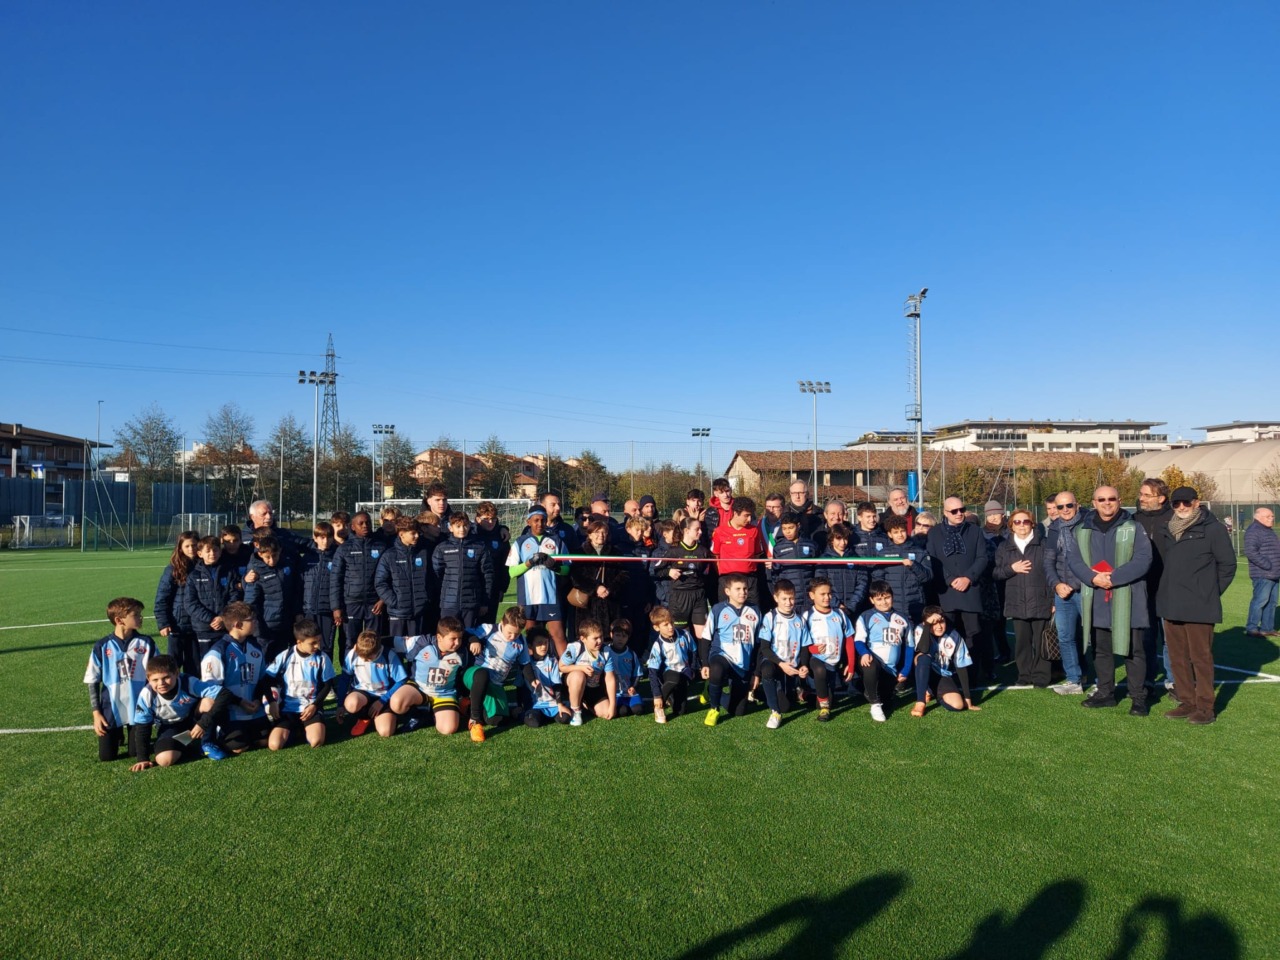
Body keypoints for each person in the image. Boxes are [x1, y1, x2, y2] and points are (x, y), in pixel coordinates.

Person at [1065, 485, 1153, 715]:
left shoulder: (1134, 527)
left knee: (1133, 651)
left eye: (1111, 499)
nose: (1107, 503)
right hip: (1096, 598)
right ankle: (1105, 693)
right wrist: (1093, 578)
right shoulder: (1082, 530)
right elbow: (1074, 560)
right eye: (1101, 499)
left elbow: (1143, 559)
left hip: (1128, 597)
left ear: (1119, 501)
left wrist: (1113, 578)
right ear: (1094, 503)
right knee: (1101, 650)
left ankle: (1138, 697)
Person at [1156, 486, 1237, 725]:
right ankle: (1187, 701)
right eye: (1176, 503)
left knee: (1201, 658)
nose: (1181, 507)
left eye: (1186, 502)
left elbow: (1228, 565)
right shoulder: (1168, 529)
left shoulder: (1213, 529)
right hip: (1171, 603)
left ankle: (1205, 707)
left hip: (1200, 605)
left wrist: (1209, 592)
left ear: (1196, 502)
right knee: (1177, 657)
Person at [85, 597, 157, 762]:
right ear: (119, 620)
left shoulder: (146, 643)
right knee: (107, 757)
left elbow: (157, 672)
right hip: (110, 708)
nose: (141, 617)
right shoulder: (102, 646)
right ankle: (116, 732)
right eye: (136, 614)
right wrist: (96, 713)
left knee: (134, 752)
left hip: (138, 707)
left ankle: (135, 733)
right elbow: (92, 681)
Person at [926, 497, 989, 680]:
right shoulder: (935, 533)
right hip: (946, 591)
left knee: (973, 634)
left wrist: (968, 578)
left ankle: (971, 676)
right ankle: (948, 675)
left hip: (970, 590)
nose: (959, 513)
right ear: (945, 513)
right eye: (954, 511)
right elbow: (932, 559)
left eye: (962, 509)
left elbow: (982, 558)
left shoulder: (975, 531)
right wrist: (950, 579)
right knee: (947, 632)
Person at [199, 601, 269, 755]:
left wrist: (257, 699)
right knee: (238, 747)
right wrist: (240, 702)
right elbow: (214, 691)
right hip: (231, 712)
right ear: (238, 625)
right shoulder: (217, 652)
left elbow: (262, 679)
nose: (256, 622)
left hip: (254, 709)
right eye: (252, 619)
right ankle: (216, 735)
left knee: (265, 741)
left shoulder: (256, 648)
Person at [993, 508, 1053, 688]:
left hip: (1041, 599)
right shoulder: (1004, 547)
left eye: (1025, 521)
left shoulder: (1044, 544)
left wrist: (1053, 600)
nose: (1021, 525)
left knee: (1041, 641)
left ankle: (1042, 676)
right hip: (1016, 601)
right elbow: (996, 573)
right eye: (1017, 522)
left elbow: (1052, 573)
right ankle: (1024, 675)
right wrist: (1012, 569)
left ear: (1032, 524)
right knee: (1022, 643)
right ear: (1011, 525)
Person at [128, 655, 221, 772]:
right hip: (169, 727)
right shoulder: (147, 694)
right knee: (164, 760)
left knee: (208, 702)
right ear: (148, 678)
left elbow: (222, 694)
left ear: (176, 673)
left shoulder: (188, 682)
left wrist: (203, 723)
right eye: (155, 680)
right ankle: (191, 744)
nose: (161, 683)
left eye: (166, 677)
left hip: (194, 720)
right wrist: (143, 758)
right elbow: (142, 727)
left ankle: (208, 742)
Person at [463, 607, 538, 742]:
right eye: (509, 632)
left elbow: (525, 663)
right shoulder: (489, 629)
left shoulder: (521, 641)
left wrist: (532, 680)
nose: (512, 637)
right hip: (475, 675)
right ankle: (475, 720)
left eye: (516, 634)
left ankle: (469, 704)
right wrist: (474, 640)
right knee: (483, 675)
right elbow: (465, 633)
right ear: (502, 623)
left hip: (496, 684)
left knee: (497, 720)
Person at [262, 619, 335, 750]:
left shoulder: (322, 658)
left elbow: (327, 685)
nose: (317, 646)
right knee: (274, 745)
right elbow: (266, 680)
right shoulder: (285, 656)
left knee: (316, 741)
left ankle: (305, 727)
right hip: (287, 709)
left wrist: (315, 705)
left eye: (319, 641)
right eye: (313, 643)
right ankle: (296, 729)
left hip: (310, 708)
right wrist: (272, 702)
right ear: (299, 642)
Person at [1043, 491, 1090, 695]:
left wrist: (1075, 582)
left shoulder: (1089, 523)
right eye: (1060, 506)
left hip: (1086, 589)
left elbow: (1093, 559)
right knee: (1065, 637)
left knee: (1096, 636)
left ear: (1077, 505)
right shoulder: (1054, 528)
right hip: (1062, 592)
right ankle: (1073, 680)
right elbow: (1048, 561)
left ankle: (1103, 681)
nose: (1064, 510)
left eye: (1068, 505)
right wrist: (1057, 584)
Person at [507, 505, 569, 655]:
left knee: (558, 635)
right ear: (528, 522)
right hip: (528, 598)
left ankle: (566, 667)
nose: (539, 524)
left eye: (542, 520)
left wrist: (555, 566)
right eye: (536, 520)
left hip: (551, 597)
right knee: (531, 636)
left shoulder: (556, 541)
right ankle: (531, 667)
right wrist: (529, 562)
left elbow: (567, 569)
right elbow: (512, 572)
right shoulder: (520, 542)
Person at [701, 574, 761, 725]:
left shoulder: (755, 610)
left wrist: (756, 672)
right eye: (738, 589)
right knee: (716, 669)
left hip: (743, 664)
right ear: (727, 591)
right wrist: (705, 664)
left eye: (745, 589)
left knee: (738, 711)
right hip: (722, 655)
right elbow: (706, 638)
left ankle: (711, 691)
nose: (742, 592)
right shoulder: (718, 609)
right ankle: (714, 709)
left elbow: (759, 645)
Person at [850, 581, 913, 722]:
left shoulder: (903, 619)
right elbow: (858, 640)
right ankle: (875, 704)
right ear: (872, 600)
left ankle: (861, 686)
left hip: (890, 669)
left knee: (888, 702)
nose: (884, 602)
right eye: (879, 599)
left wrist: (906, 670)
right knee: (871, 666)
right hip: (871, 661)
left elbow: (910, 646)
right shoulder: (865, 616)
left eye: (887, 597)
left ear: (892, 597)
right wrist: (865, 653)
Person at [390, 618, 466, 735]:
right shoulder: (422, 642)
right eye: (453, 639)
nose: (457, 643)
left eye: (460, 638)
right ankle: (419, 716)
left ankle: (433, 714)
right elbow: (392, 641)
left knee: (448, 729)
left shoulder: (463, 652)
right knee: (397, 703)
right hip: (419, 688)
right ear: (439, 637)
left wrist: (474, 640)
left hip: (444, 693)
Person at [1135, 478, 1175, 693]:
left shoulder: (1173, 519)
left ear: (1161, 498)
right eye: (1141, 494)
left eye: (1146, 495)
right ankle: (1148, 678)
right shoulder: (1134, 520)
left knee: (1170, 639)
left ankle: (1173, 681)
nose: (1141, 498)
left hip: (1168, 589)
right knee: (1146, 638)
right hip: (1142, 589)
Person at [755, 579, 811, 728]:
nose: (788, 602)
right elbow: (764, 648)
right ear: (776, 598)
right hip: (774, 663)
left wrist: (804, 665)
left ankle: (761, 692)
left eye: (791, 598)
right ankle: (775, 712)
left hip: (791, 667)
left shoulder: (800, 620)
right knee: (767, 670)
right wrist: (781, 664)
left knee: (786, 706)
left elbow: (804, 647)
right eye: (784, 599)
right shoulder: (770, 617)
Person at [331, 512, 386, 655]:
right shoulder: (344, 549)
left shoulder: (381, 546)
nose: (365, 525)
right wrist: (336, 607)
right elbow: (335, 579)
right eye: (360, 523)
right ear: (352, 527)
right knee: (350, 641)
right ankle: (348, 668)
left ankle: (371, 668)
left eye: (367, 522)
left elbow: (389, 576)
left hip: (374, 604)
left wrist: (382, 599)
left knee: (373, 641)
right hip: (351, 604)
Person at [910, 607, 980, 716]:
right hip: (923, 670)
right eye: (934, 623)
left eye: (941, 621)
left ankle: (932, 691)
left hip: (942, 675)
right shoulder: (920, 628)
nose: (939, 626)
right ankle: (920, 701)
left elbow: (961, 666)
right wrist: (927, 625)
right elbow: (924, 649)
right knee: (923, 657)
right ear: (925, 623)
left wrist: (967, 699)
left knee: (958, 705)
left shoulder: (954, 636)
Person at [803, 577, 855, 722]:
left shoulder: (840, 614)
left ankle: (808, 695)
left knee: (825, 699)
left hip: (833, 662)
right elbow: (803, 642)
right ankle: (825, 707)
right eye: (822, 594)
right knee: (820, 671)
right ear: (812, 595)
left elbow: (849, 640)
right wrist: (813, 649)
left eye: (829, 593)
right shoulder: (807, 616)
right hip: (816, 659)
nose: (827, 597)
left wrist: (851, 665)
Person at [339, 629, 408, 738]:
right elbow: (344, 678)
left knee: (386, 732)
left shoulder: (389, 655)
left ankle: (381, 715)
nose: (365, 660)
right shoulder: (353, 654)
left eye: (369, 658)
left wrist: (383, 700)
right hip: (363, 692)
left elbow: (401, 680)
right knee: (351, 704)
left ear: (378, 650)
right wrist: (340, 704)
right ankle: (364, 717)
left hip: (385, 695)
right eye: (362, 657)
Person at [242, 535, 302, 659]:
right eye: (267, 557)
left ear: (280, 551)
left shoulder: (287, 565)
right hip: (265, 626)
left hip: (285, 623)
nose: (272, 560)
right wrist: (257, 627)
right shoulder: (255, 572)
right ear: (260, 554)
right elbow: (250, 602)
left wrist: (297, 612)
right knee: (264, 661)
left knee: (282, 659)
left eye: (274, 555)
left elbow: (295, 591)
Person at [185, 535, 242, 662]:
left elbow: (235, 596)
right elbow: (190, 603)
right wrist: (211, 619)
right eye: (208, 551)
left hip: (226, 626)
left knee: (228, 661)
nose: (212, 553)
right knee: (208, 662)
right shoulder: (194, 576)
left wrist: (223, 617)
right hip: (204, 628)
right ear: (200, 554)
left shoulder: (229, 572)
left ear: (220, 552)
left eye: (215, 550)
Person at [433, 512, 494, 629]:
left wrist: (484, 602)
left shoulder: (479, 547)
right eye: (458, 526)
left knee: (469, 635)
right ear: (451, 528)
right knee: (448, 634)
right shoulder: (442, 548)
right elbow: (436, 574)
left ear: (469, 526)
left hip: (471, 603)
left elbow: (487, 575)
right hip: (449, 604)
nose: (462, 529)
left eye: (465, 525)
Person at [654, 517, 713, 632]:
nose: (700, 532)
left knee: (703, 634)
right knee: (681, 632)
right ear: (686, 531)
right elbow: (657, 570)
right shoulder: (674, 550)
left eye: (700, 529)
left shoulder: (703, 551)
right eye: (697, 529)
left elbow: (707, 571)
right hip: (680, 596)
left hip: (698, 595)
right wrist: (669, 572)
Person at [570, 519, 629, 632]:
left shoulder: (616, 553)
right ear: (590, 535)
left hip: (610, 602)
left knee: (611, 634)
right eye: (597, 532)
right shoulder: (579, 553)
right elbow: (576, 577)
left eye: (604, 532)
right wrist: (595, 588)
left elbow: (624, 574)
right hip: (588, 604)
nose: (601, 535)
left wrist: (610, 589)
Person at [155, 530, 199, 674]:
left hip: (197, 625)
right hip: (177, 624)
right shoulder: (173, 569)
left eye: (194, 545)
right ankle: (173, 688)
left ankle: (192, 688)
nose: (191, 549)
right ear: (180, 548)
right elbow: (162, 597)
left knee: (195, 665)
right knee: (173, 664)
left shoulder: (203, 566)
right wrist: (163, 623)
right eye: (187, 546)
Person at [560, 617, 617, 726]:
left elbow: (610, 679)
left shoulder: (606, 651)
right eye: (595, 638)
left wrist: (612, 705)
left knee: (606, 713)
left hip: (593, 687)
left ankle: (584, 704)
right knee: (578, 676)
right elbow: (561, 667)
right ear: (583, 638)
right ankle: (575, 711)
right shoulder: (575, 648)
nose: (599, 641)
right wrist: (580, 668)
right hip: (573, 684)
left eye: (601, 636)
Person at [710, 497, 765, 607]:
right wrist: (724, 572)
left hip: (749, 580)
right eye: (746, 515)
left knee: (753, 612)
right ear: (735, 513)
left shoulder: (754, 531)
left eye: (750, 515)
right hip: (727, 579)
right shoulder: (719, 531)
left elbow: (757, 554)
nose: (749, 519)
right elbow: (715, 556)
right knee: (725, 612)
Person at [646, 606, 698, 723]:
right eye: (666, 625)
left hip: (683, 673)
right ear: (656, 628)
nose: (670, 627)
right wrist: (657, 696)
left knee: (681, 711)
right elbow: (652, 672)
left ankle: (671, 696)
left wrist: (693, 668)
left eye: (671, 623)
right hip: (668, 675)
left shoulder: (685, 635)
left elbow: (694, 651)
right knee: (674, 678)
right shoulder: (658, 645)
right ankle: (659, 707)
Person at [876, 516, 929, 622]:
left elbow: (927, 577)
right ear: (890, 534)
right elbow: (878, 580)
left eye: (902, 531)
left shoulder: (919, 551)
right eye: (896, 532)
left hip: (916, 604)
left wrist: (913, 565)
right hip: (893, 607)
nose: (900, 535)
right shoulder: (883, 554)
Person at [302, 521, 339, 664]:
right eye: (322, 537)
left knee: (325, 647)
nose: (325, 541)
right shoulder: (307, 558)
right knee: (307, 645)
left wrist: (336, 607)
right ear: (315, 538)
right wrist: (298, 610)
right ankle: (308, 674)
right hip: (308, 610)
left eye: (329, 537)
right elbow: (300, 585)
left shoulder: (337, 556)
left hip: (327, 611)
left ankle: (325, 676)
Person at [519, 627, 572, 727]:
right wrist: (519, 706)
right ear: (530, 646)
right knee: (533, 722)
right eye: (539, 643)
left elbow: (557, 685)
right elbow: (519, 686)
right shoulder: (526, 664)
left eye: (546, 643)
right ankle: (527, 715)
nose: (543, 646)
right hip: (535, 705)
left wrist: (560, 704)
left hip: (552, 704)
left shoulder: (552, 661)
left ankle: (546, 715)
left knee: (565, 718)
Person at [770, 512, 819, 610]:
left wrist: (814, 590)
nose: (787, 532)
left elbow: (818, 570)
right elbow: (775, 574)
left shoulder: (811, 545)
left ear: (798, 526)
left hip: (809, 597)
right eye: (784, 528)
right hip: (790, 598)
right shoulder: (778, 548)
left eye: (791, 528)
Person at [1244, 507, 1280, 637]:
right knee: (1259, 601)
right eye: (1268, 516)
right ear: (1258, 517)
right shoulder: (1254, 531)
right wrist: (1267, 565)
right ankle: (1252, 628)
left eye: (1272, 516)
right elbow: (1250, 552)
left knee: (1272, 602)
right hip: (1262, 574)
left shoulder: (1268, 530)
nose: (1272, 518)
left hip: (1274, 573)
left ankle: (1267, 628)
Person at [474, 501, 512, 618]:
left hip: (494, 588)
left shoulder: (501, 537)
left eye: (493, 519)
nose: (490, 522)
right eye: (486, 519)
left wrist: (502, 588)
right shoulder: (471, 535)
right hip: (473, 588)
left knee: (489, 623)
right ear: (478, 519)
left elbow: (505, 565)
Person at [608, 618, 644, 716]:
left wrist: (633, 687)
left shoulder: (631, 654)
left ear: (628, 637)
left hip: (628, 692)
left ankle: (629, 702)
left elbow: (637, 674)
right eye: (617, 635)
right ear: (611, 635)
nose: (620, 639)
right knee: (622, 711)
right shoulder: (606, 652)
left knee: (638, 710)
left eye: (624, 636)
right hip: (613, 693)